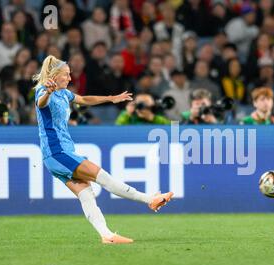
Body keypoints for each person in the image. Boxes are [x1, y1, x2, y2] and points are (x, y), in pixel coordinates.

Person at [33, 55, 173, 244]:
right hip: (57, 152)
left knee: (86, 194)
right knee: (103, 177)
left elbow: (84, 99)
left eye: (69, 75)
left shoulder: (65, 94)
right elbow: (41, 103)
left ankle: (107, 236)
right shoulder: (44, 91)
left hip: (61, 154)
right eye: (66, 75)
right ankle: (150, 199)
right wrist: (48, 93)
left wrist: (111, 98)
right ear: (55, 75)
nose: (70, 78)